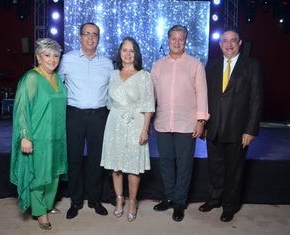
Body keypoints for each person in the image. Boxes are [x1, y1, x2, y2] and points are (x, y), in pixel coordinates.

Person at [198, 28, 263, 222]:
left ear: (240, 43)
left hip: (238, 130)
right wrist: (204, 123)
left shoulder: (252, 65)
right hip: (214, 128)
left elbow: (256, 99)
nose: (229, 44)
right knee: (214, 168)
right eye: (225, 41)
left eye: (233, 40)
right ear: (220, 45)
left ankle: (230, 205)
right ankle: (214, 199)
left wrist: (250, 130)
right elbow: (207, 96)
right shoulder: (212, 65)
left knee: (234, 171)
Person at [151, 25, 209, 222]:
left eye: (181, 39)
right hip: (162, 121)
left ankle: (179, 202)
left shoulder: (195, 65)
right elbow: (152, 95)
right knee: (166, 162)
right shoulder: (158, 65)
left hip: (187, 123)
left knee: (184, 164)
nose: (177, 42)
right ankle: (169, 197)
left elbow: (202, 93)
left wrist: (201, 121)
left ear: (186, 41)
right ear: (168, 40)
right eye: (173, 38)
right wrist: (148, 118)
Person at [10, 38, 67, 230]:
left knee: (54, 171)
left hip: (57, 134)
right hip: (39, 135)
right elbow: (22, 109)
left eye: (56, 55)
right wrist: (25, 135)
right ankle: (40, 211)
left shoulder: (57, 78)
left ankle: (47, 204)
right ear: (38, 57)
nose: (52, 59)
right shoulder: (31, 78)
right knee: (39, 173)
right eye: (47, 55)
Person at [58, 22, 113, 219]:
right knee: (74, 159)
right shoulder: (67, 59)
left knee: (96, 160)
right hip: (74, 116)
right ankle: (75, 201)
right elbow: (56, 86)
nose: (90, 38)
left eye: (95, 35)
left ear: (99, 38)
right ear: (80, 37)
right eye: (87, 34)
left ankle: (95, 199)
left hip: (99, 116)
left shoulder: (107, 63)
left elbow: (112, 91)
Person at [100, 37, 155, 222]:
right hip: (115, 123)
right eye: (124, 50)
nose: (128, 54)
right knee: (116, 167)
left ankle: (132, 201)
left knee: (133, 168)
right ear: (120, 53)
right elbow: (109, 103)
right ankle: (119, 199)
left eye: (132, 50)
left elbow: (148, 105)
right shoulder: (113, 75)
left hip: (136, 124)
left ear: (136, 54)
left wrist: (145, 130)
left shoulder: (144, 76)